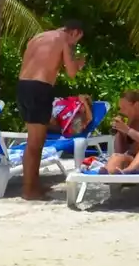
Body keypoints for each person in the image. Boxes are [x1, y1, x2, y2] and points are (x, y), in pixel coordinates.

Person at [15, 19, 86, 199]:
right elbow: (71, 73)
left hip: (23, 87)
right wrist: (78, 63)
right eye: (77, 40)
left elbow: (42, 65)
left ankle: (33, 185)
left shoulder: (38, 37)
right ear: (75, 32)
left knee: (33, 141)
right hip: (40, 89)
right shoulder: (64, 39)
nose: (75, 43)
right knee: (36, 143)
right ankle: (29, 190)